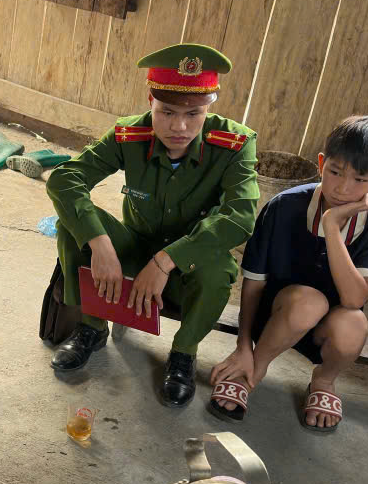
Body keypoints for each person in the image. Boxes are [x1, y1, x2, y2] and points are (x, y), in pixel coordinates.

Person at [46, 43, 259, 407]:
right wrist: (100, 243)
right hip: (133, 251)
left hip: (186, 265)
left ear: (209, 108)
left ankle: (184, 353)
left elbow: (239, 217)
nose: (179, 126)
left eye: (194, 113)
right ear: (151, 102)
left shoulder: (235, 143)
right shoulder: (130, 134)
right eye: (167, 112)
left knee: (219, 269)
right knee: (73, 225)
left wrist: (165, 261)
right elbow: (65, 180)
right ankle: (92, 327)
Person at [210, 116, 368, 430]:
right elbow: (254, 284)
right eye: (335, 172)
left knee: (354, 323)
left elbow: (354, 299)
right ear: (322, 164)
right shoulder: (284, 206)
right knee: (309, 302)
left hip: (326, 329)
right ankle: (252, 370)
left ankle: (324, 380)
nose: (343, 187)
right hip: (275, 318)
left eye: (360, 179)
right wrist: (243, 345)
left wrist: (331, 226)